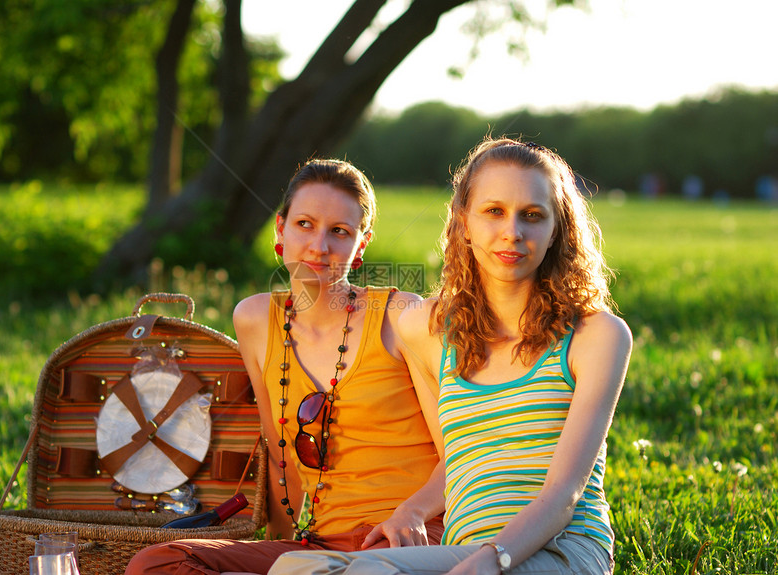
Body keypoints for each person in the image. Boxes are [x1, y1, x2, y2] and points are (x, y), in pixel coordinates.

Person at [267, 137, 633, 575]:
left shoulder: (596, 336)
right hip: (463, 550)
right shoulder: (430, 331)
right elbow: (452, 457)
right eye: (494, 211)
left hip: (561, 549)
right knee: (294, 567)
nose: (512, 232)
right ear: (463, 222)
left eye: (532, 216)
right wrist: (411, 511)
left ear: (557, 229)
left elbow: (563, 495)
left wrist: (492, 561)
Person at [125, 159, 444, 575]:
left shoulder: (399, 315)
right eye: (305, 224)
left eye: (340, 232)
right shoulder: (256, 320)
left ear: (361, 245)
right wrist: (283, 548)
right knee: (158, 562)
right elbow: (280, 455)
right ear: (281, 229)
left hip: (406, 539)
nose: (319, 246)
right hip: (322, 547)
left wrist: (412, 514)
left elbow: (458, 450)